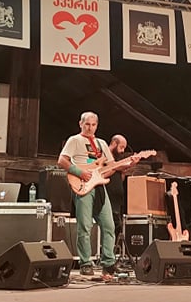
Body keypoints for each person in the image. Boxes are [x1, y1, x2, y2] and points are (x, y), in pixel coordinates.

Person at [57, 112, 124, 280]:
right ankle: (85, 263)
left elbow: (111, 167)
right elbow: (62, 160)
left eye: (93, 125)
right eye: (87, 124)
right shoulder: (74, 140)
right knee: (85, 227)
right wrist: (79, 172)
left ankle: (108, 263)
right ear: (80, 124)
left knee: (109, 226)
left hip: (100, 186)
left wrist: (128, 164)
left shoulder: (102, 143)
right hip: (83, 185)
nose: (90, 127)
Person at [104, 134, 129, 235]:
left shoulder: (118, 160)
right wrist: (117, 167)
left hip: (117, 202)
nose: (122, 151)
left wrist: (123, 172)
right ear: (114, 143)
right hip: (107, 198)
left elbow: (120, 179)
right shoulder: (104, 155)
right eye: (121, 147)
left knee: (116, 229)